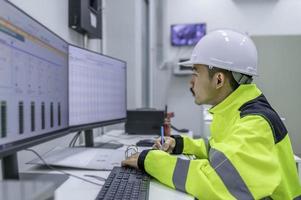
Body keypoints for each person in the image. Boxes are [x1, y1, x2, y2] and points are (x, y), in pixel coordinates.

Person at [121, 29, 301, 199]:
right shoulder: (235, 111)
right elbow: (220, 152)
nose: (191, 82)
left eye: (196, 72)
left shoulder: (255, 124)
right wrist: (180, 144)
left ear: (219, 80)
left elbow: (216, 181)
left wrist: (150, 160)